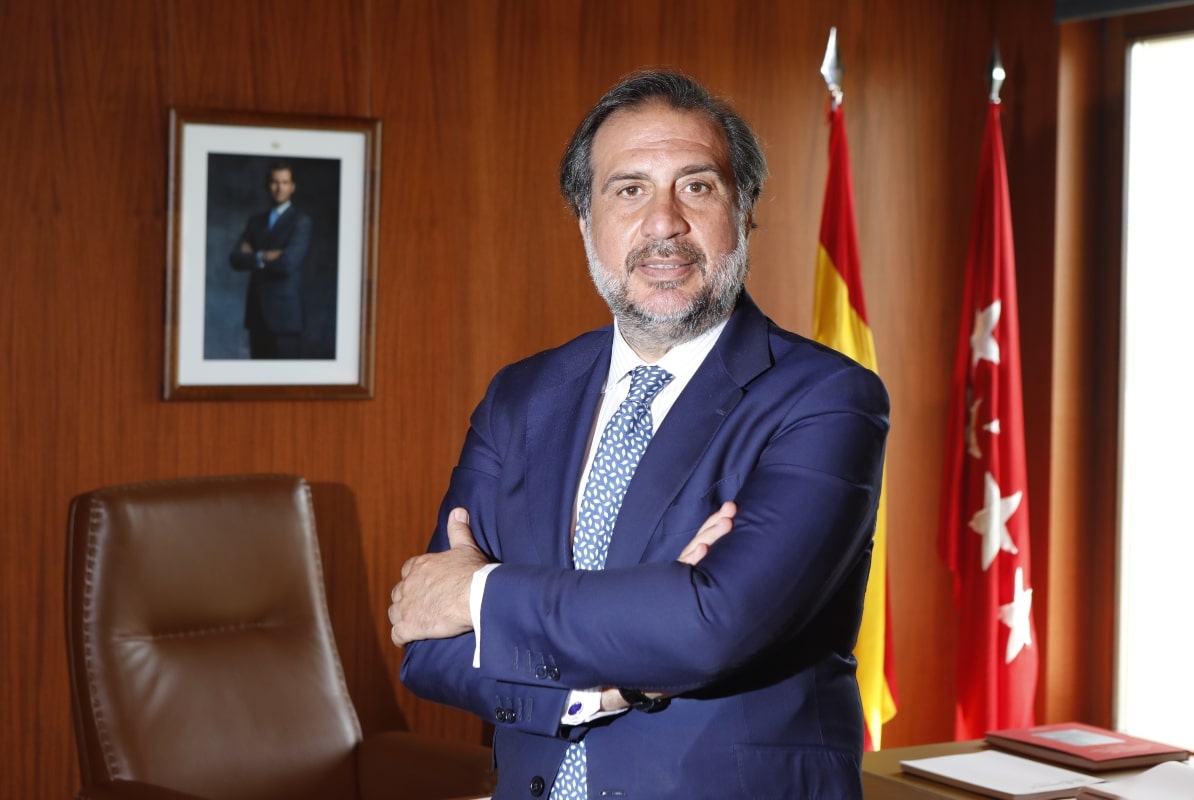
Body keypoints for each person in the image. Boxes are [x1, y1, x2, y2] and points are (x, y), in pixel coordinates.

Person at [388, 70, 889, 799]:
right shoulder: (520, 398)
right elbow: (426, 645)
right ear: (586, 222)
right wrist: (611, 683)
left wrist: (483, 595)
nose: (663, 224)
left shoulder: (825, 399)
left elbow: (714, 622)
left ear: (743, 210)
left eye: (697, 186)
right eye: (628, 190)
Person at [228, 161, 312, 359]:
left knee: (286, 382)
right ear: (267, 185)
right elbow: (235, 259)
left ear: (292, 187)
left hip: (285, 318)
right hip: (257, 315)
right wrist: (263, 255)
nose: (279, 188)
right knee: (258, 381)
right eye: (274, 182)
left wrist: (253, 255)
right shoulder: (255, 222)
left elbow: (287, 264)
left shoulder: (301, 222)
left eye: (284, 182)